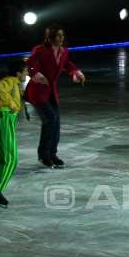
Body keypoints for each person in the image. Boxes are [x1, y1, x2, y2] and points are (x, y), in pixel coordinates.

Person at [24, 25, 86, 168]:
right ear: (50, 37)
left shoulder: (63, 52)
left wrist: (76, 73)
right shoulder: (40, 50)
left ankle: (52, 153)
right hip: (37, 91)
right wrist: (38, 76)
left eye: (62, 35)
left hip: (51, 92)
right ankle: (44, 155)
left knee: (56, 121)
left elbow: (68, 65)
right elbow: (29, 65)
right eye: (58, 35)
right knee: (50, 119)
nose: (61, 38)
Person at [0, 60, 28, 207]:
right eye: (26, 71)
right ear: (18, 73)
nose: (27, 74)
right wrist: (12, 104)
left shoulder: (14, 83)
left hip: (3, 121)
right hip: (4, 119)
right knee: (10, 159)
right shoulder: (7, 82)